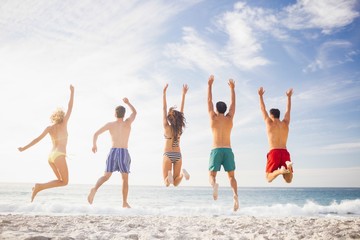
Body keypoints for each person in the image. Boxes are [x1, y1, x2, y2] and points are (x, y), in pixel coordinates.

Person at [18, 85, 74, 202]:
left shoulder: (49, 128)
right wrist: (72, 92)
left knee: (59, 180)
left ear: (53, 117)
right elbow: (70, 107)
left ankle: (39, 187)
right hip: (59, 155)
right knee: (65, 182)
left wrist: (24, 148)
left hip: (50, 157)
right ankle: (39, 187)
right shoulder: (64, 123)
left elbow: (36, 140)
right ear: (62, 117)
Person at [87, 98, 136, 208]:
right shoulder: (127, 123)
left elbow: (96, 134)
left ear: (115, 114)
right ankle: (124, 202)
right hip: (123, 151)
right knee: (125, 179)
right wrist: (128, 103)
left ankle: (94, 188)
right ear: (124, 115)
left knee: (106, 176)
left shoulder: (110, 125)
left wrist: (94, 145)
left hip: (113, 151)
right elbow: (135, 112)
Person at [207, 75, 239, 211]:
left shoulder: (213, 117)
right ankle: (235, 195)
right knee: (231, 176)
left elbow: (209, 100)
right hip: (227, 150)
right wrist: (232, 88)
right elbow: (233, 103)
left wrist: (209, 85)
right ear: (225, 110)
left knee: (211, 175)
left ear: (216, 109)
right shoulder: (229, 118)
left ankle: (214, 185)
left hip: (216, 150)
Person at [258, 87, 294, 183]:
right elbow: (288, 110)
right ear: (279, 115)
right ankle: (288, 166)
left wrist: (260, 96)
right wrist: (289, 97)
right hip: (285, 152)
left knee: (268, 178)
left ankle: (279, 171)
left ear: (271, 115)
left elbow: (262, 109)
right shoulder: (285, 123)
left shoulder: (269, 122)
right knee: (288, 179)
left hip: (274, 151)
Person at [162, 83, 190, 187]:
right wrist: (183, 95)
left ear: (169, 118)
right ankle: (182, 174)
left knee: (167, 183)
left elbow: (164, 108)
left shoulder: (166, 127)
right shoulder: (179, 128)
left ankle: (168, 177)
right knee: (176, 183)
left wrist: (164, 93)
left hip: (168, 154)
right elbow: (182, 111)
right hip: (178, 155)